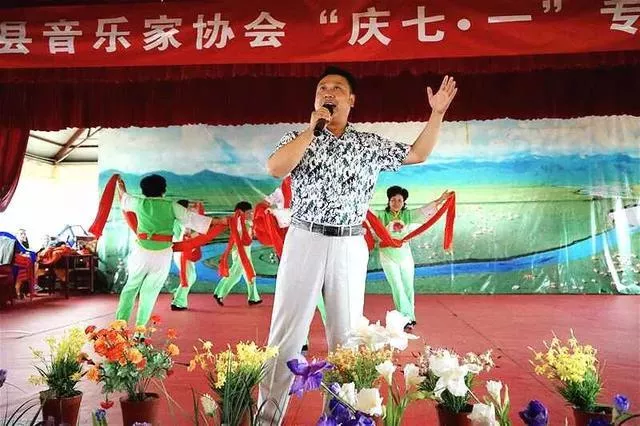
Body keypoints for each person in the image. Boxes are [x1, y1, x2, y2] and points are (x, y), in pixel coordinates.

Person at [258, 66, 457, 424]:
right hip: (304, 238)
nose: (328, 92)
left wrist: (437, 113)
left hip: (349, 244)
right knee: (285, 335)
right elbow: (275, 168)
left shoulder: (367, 144)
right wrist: (311, 130)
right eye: (322, 88)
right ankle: (266, 419)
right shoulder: (297, 137)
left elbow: (417, 153)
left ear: (352, 100)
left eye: (337, 88)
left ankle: (339, 418)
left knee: (347, 339)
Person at [114, 174, 224, 326]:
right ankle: (140, 330)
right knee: (150, 292)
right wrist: (221, 221)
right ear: (164, 190)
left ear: (143, 190)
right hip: (163, 254)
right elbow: (192, 220)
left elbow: (124, 198)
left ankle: (119, 326)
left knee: (131, 287)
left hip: (141, 252)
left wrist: (120, 186)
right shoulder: (171, 206)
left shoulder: (138, 202)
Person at [374, 186, 451, 330]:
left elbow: (424, 210)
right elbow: (367, 216)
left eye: (399, 200)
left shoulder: (408, 215)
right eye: (393, 200)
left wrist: (441, 200)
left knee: (408, 286)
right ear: (388, 201)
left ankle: (410, 317)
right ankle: (406, 318)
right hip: (387, 255)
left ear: (404, 202)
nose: (396, 203)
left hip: (405, 254)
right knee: (397, 287)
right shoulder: (381, 215)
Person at [213, 201, 262, 306]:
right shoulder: (240, 223)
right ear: (242, 213)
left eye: (251, 212)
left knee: (250, 274)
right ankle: (220, 294)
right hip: (241, 252)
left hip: (245, 251)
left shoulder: (245, 222)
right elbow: (240, 236)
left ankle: (253, 298)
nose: (251, 214)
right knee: (236, 274)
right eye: (249, 212)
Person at [170, 199, 198, 311]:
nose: (191, 209)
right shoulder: (183, 221)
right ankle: (178, 302)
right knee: (189, 277)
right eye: (189, 207)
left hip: (181, 250)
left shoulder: (176, 220)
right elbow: (188, 235)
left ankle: (177, 296)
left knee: (190, 276)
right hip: (183, 251)